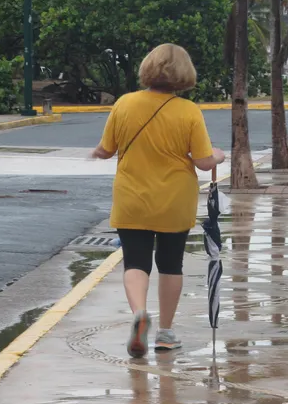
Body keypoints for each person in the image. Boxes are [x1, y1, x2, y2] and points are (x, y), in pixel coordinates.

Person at [92, 43, 226, 359]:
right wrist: (218, 155)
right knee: (170, 264)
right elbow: (205, 162)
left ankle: (140, 313)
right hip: (174, 201)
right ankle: (165, 334)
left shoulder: (124, 104)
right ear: (184, 74)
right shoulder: (188, 111)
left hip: (132, 199)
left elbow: (106, 149)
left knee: (135, 261)